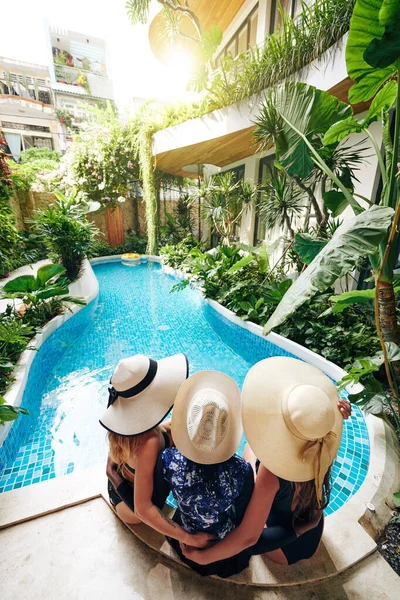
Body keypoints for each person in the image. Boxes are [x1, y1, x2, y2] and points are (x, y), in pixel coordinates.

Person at [182, 357, 349, 567]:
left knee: (248, 459)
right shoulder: (325, 441)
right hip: (314, 533)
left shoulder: (272, 472)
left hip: (284, 547)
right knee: (253, 447)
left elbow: (249, 539)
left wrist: (203, 557)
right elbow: (312, 517)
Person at [100, 353, 212, 549]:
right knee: (172, 445)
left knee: (174, 432)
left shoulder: (126, 425)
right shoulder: (150, 441)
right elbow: (142, 510)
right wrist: (188, 538)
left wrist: (111, 474)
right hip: (130, 506)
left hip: (121, 482)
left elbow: (115, 458)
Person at [160, 370, 255, 578]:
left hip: (185, 540)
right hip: (223, 551)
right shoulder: (240, 472)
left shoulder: (169, 461)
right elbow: (242, 516)